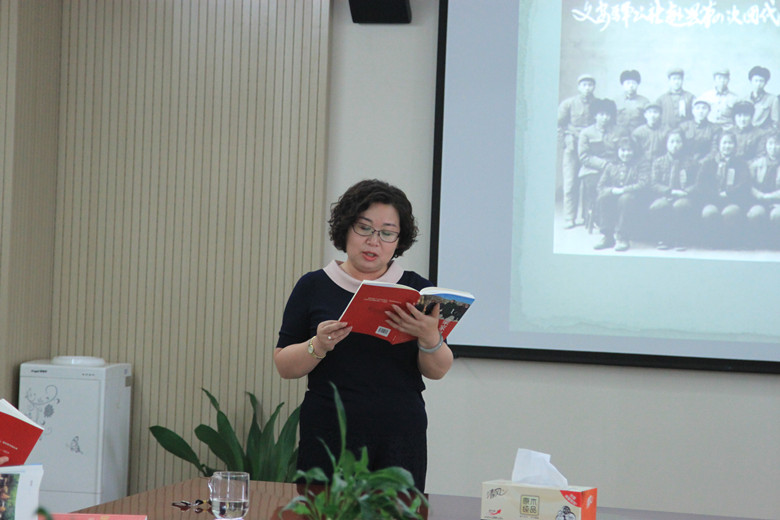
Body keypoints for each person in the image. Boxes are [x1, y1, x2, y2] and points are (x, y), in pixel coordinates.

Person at [273, 179, 453, 492]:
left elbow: (438, 370)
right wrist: (319, 344)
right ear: (345, 228)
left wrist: (429, 338)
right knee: (322, 511)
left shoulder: (419, 291)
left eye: (387, 233)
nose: (373, 241)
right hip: (329, 430)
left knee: (398, 512)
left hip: (399, 433)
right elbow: (284, 366)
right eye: (364, 228)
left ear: (399, 240)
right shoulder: (313, 286)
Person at [695, 132, 752, 247]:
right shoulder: (708, 163)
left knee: (730, 213)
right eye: (724, 143)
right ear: (719, 145)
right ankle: (713, 242)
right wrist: (715, 195)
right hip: (712, 199)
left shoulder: (741, 164)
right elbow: (701, 184)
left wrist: (728, 193)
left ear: (735, 146)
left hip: (732, 200)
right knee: (709, 213)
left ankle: (728, 243)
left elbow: (744, 184)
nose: (727, 146)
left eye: (730, 143)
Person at [593, 137, 650, 252]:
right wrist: (612, 190)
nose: (626, 154)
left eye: (629, 150)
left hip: (635, 198)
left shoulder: (641, 164)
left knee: (625, 199)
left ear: (634, 151)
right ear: (618, 151)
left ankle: (622, 237)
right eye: (623, 150)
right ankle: (607, 236)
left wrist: (624, 190)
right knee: (603, 197)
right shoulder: (611, 165)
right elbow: (600, 186)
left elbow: (643, 183)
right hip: (615, 196)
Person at [558, 74, 597, 229]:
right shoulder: (568, 104)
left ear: (594, 87)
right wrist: (566, 140)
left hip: (590, 149)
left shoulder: (598, 104)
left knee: (589, 183)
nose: (587, 88)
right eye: (584, 85)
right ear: (579, 87)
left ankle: (587, 217)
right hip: (572, 148)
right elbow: (558, 125)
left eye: (590, 85)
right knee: (570, 183)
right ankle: (569, 217)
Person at [649, 129, 698, 250]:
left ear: (683, 143)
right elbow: (654, 183)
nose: (675, 145)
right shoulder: (658, 162)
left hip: (684, 195)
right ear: (666, 144)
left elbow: (697, 183)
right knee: (659, 206)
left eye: (678, 142)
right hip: (665, 195)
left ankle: (680, 239)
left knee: (680, 206)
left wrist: (686, 191)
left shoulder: (691, 162)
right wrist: (669, 191)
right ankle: (664, 238)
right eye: (671, 142)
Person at [577, 98, 619, 229]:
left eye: (607, 115)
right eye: (601, 114)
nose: (605, 118)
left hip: (614, 168)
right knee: (594, 184)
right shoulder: (586, 133)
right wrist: (604, 165)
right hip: (592, 169)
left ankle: (613, 218)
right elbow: (584, 156)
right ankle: (596, 217)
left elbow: (623, 151)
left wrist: (614, 167)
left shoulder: (618, 131)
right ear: (595, 115)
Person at [747, 132, 780, 244]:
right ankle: (759, 243)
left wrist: (770, 196)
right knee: (755, 214)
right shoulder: (757, 164)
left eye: (777, 144)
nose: (773, 147)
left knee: (777, 215)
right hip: (759, 200)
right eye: (770, 144)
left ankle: (775, 244)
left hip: (778, 201)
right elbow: (748, 184)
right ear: (766, 145)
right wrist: (759, 195)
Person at [679, 97, 720, 163]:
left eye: (704, 108)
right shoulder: (683, 127)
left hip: (706, 164)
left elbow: (714, 150)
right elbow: (680, 148)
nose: (701, 111)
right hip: (685, 163)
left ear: (709, 111)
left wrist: (701, 162)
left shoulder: (714, 129)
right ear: (693, 111)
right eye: (697, 108)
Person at [615, 69, 649, 135]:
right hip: (619, 135)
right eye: (628, 83)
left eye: (633, 83)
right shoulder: (616, 101)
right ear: (623, 85)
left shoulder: (644, 102)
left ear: (637, 85)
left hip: (638, 135)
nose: (631, 86)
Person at [745, 65, 779, 130]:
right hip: (748, 132)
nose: (758, 84)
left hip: (764, 133)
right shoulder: (745, 99)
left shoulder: (772, 99)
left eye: (761, 81)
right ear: (751, 81)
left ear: (766, 83)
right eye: (756, 81)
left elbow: (775, 121)